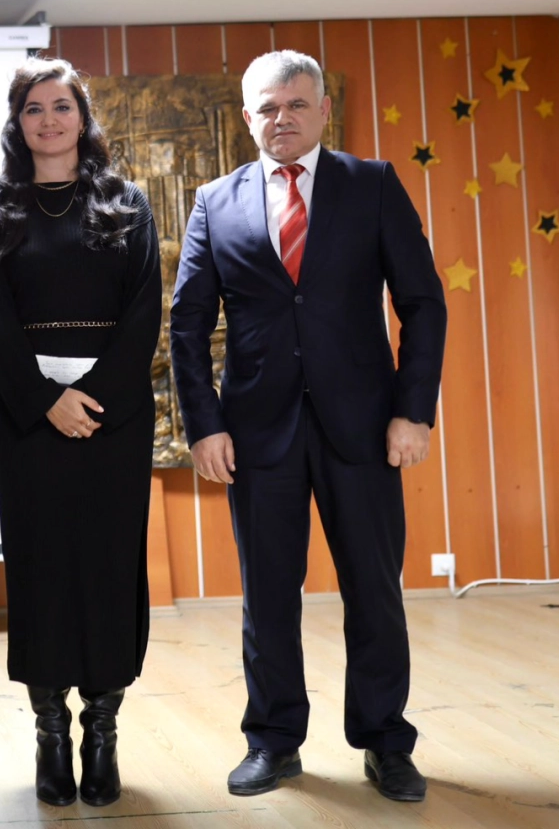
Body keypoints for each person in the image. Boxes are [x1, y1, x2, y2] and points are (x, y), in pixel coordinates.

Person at [169, 50, 447, 803]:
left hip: (365, 428)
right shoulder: (214, 202)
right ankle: (272, 740)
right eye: (267, 107)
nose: (281, 118)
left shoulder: (373, 185)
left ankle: (385, 742)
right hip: (257, 434)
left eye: (296, 104)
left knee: (374, 591)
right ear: (247, 116)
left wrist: (413, 411)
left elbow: (423, 304)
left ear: (324, 110)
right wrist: (205, 425)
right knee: (267, 596)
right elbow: (187, 326)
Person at [0, 58, 162, 808]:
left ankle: (102, 732)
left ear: (83, 117)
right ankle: (50, 729)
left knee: (111, 566)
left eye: (61, 106)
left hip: (115, 417)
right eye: (33, 109)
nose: (48, 120)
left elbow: (144, 313)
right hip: (27, 418)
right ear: (17, 124)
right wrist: (46, 401)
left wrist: (92, 398)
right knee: (40, 565)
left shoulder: (127, 203)